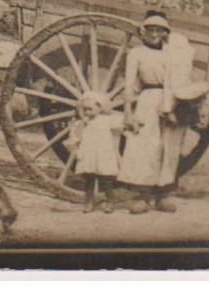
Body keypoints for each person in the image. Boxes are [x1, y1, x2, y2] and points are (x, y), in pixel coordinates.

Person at [118, 11, 191, 213]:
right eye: (151, 29)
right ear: (144, 31)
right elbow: (130, 84)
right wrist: (127, 112)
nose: (154, 33)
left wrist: (177, 102)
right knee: (145, 147)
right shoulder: (137, 53)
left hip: (170, 100)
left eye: (159, 30)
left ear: (165, 32)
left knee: (168, 146)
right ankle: (142, 195)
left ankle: (163, 195)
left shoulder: (173, 53)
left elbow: (182, 74)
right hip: (148, 100)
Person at [70, 91, 125, 213]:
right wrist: (80, 121)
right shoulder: (83, 122)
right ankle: (89, 201)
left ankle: (109, 201)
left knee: (106, 179)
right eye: (85, 110)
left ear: (99, 108)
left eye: (90, 109)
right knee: (89, 179)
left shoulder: (107, 120)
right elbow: (75, 136)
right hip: (89, 154)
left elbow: (121, 124)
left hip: (103, 154)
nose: (87, 112)